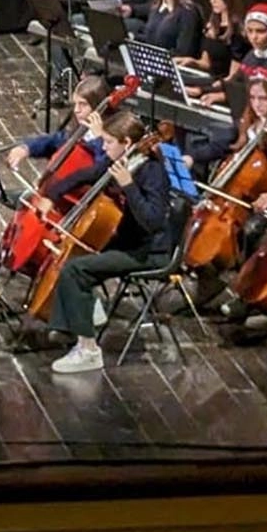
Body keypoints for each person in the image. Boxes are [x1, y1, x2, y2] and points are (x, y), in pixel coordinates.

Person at [48, 111, 175, 374]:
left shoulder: (152, 172)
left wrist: (128, 186)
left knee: (76, 270)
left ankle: (89, 350)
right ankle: (72, 323)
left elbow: (153, 222)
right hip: (126, 241)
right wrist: (51, 192)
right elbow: (89, 173)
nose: (102, 147)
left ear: (126, 143)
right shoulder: (122, 160)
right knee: (72, 255)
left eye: (107, 142)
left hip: (148, 251)